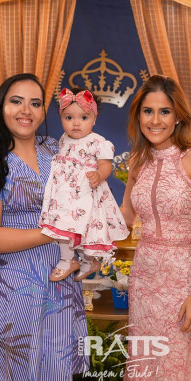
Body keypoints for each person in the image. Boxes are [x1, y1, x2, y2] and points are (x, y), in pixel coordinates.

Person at [0, 73, 89, 381]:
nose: (26, 111)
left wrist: (79, 246)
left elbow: (84, 201)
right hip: (18, 285)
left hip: (61, 282)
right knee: (18, 379)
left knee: (58, 378)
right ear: (1, 106)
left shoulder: (56, 149)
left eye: (35, 103)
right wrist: (52, 233)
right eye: (16, 101)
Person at [120, 75, 191, 381]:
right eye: (148, 111)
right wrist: (81, 202)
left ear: (178, 116)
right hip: (143, 279)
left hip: (183, 279)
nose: (155, 120)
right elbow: (124, 218)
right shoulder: (137, 161)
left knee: (176, 366)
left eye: (164, 111)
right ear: (138, 116)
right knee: (144, 365)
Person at [39, 87, 129, 282]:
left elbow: (106, 164)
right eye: (69, 117)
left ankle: (88, 261)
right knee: (63, 222)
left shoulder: (97, 142)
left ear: (94, 119)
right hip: (65, 192)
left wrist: (99, 175)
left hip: (86, 191)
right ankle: (68, 259)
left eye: (84, 117)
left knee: (85, 227)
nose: (76, 123)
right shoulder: (63, 139)